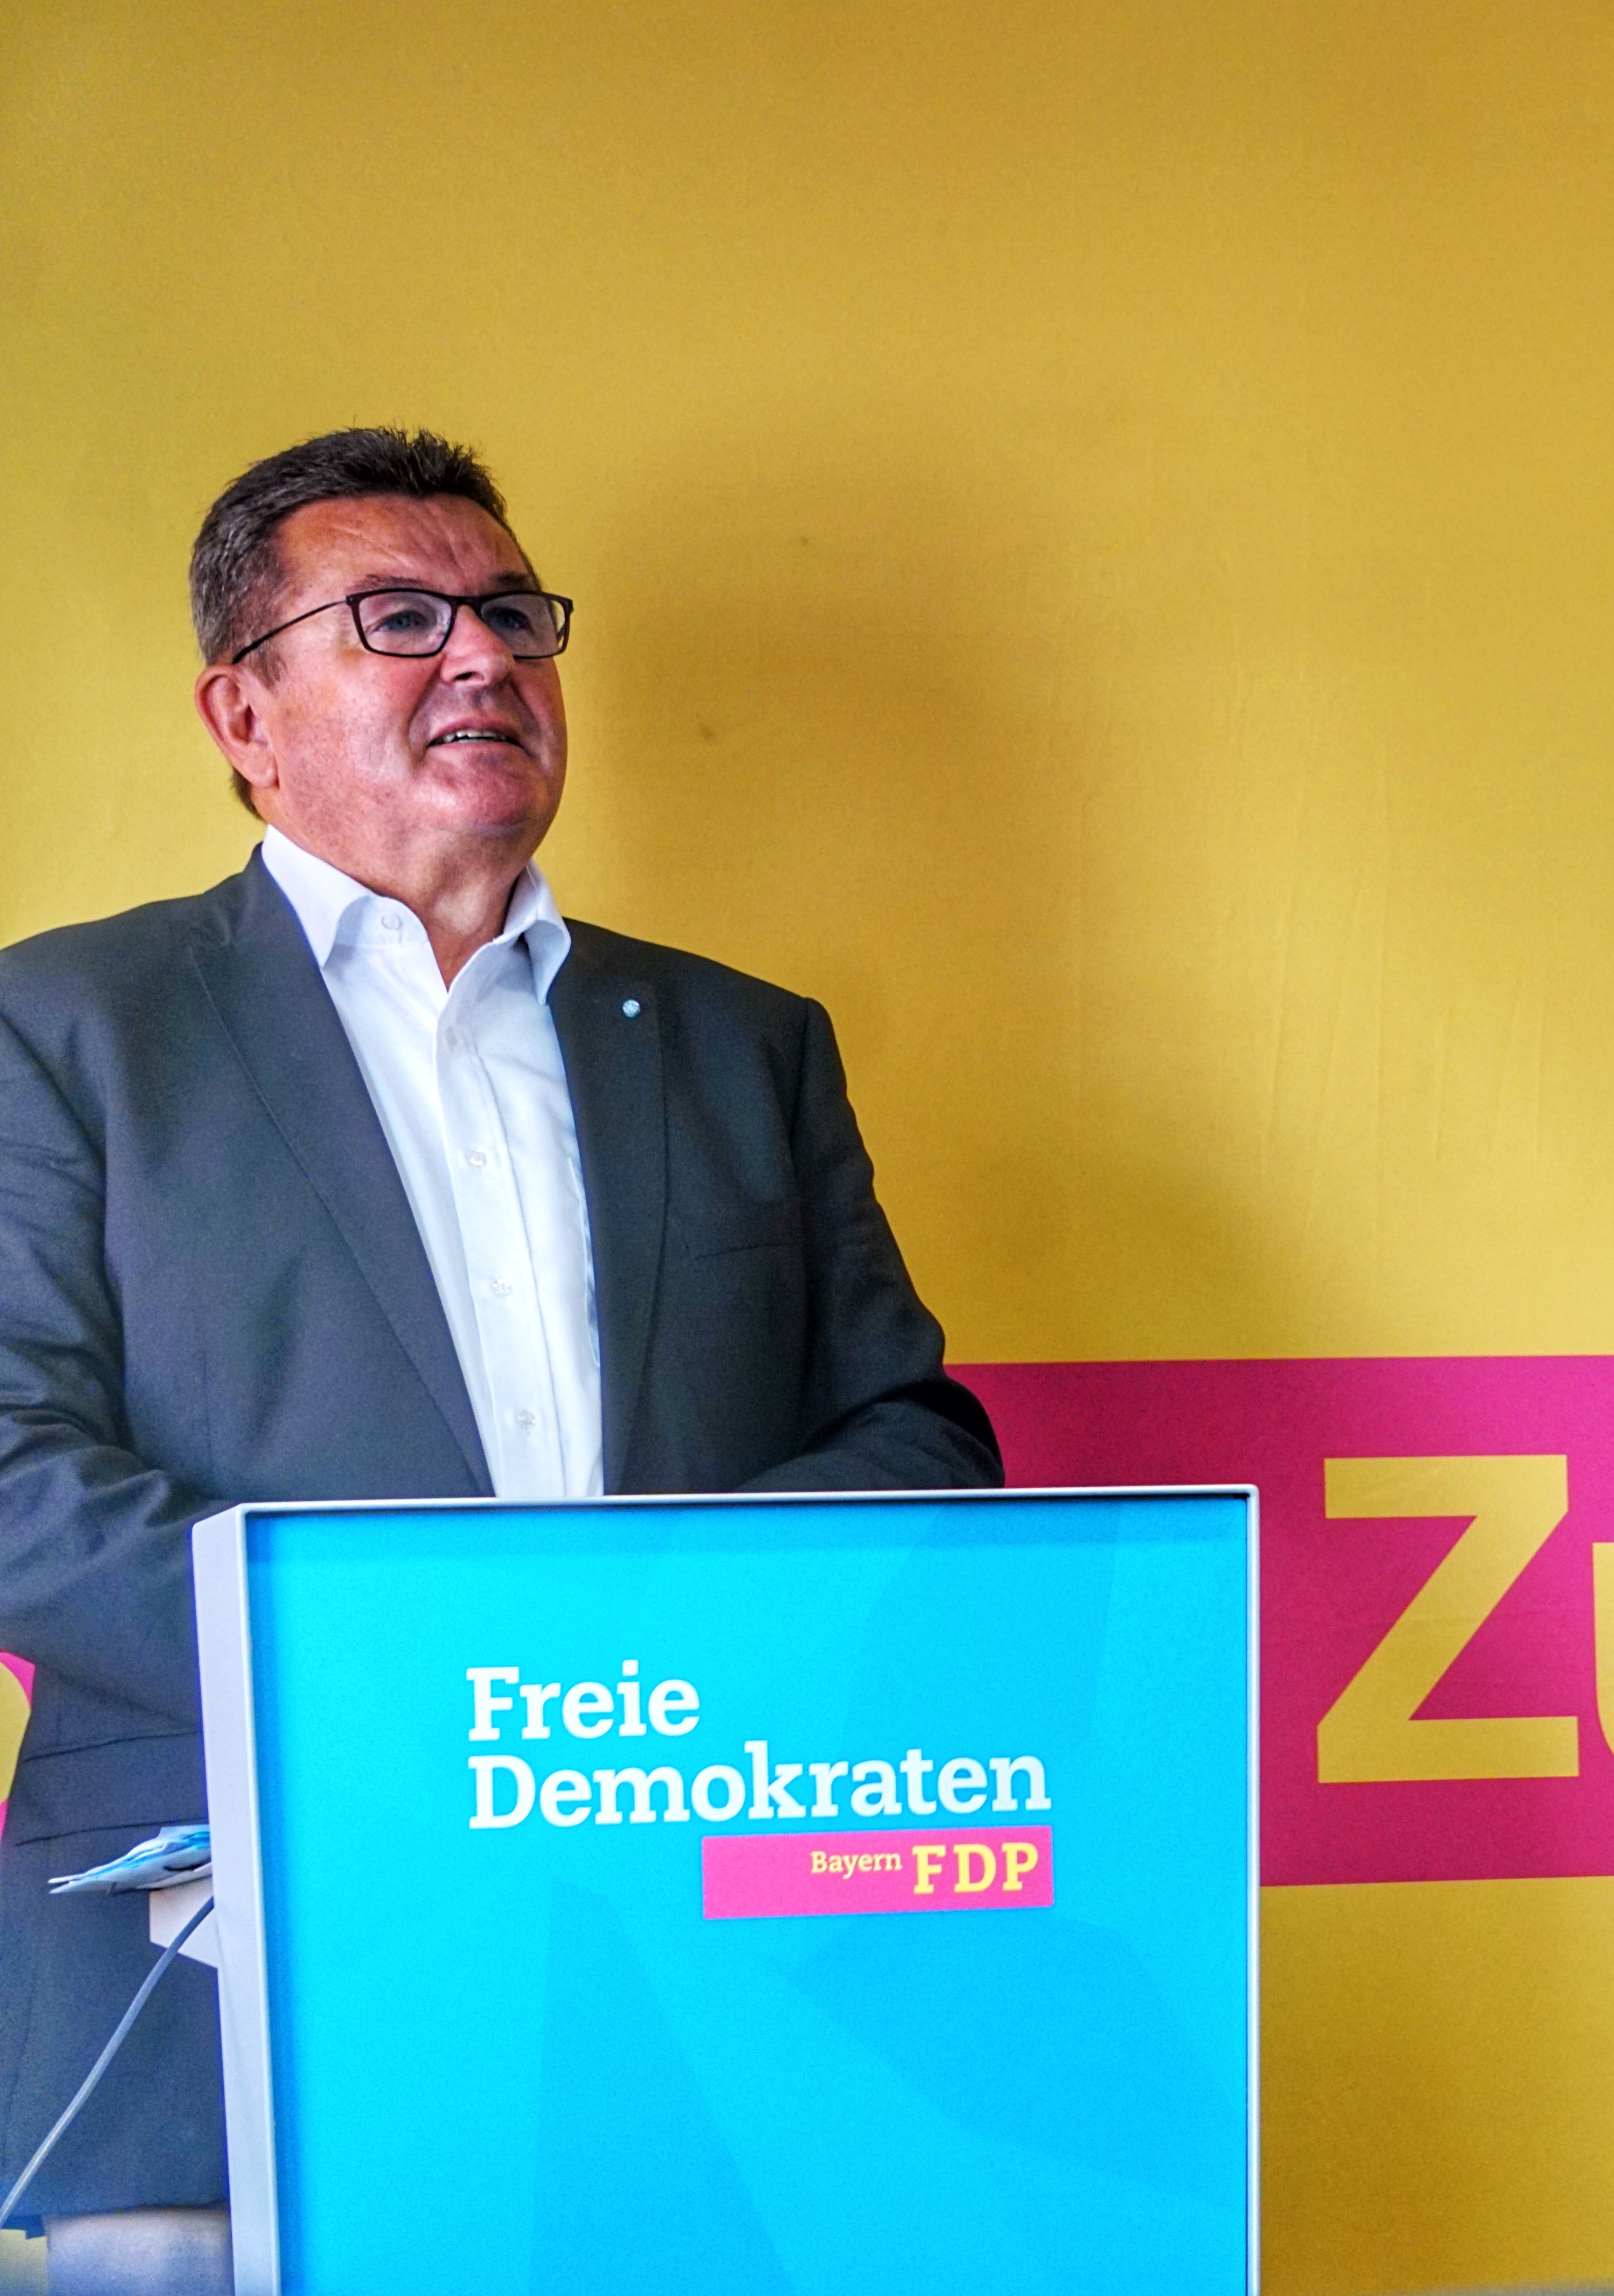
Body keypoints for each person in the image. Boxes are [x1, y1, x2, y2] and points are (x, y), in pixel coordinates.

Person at [0, 430, 1000, 2292]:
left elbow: (913, 1440)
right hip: (219, 1965)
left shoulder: (739, 1045)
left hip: (700, 1952)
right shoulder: (65, 1028)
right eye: (399, 619)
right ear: (246, 711)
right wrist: (436, 1670)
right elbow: (12, 1482)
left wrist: (649, 1666)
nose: (484, 659)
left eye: (516, 617)